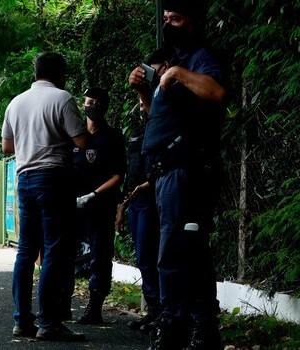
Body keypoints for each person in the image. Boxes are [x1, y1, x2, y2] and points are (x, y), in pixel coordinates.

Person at [128, 1, 228, 348]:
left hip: (186, 169)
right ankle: (199, 327)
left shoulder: (199, 58)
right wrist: (145, 88)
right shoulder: (175, 63)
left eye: (177, 19)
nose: (169, 24)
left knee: (174, 252)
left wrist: (179, 75)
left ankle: (173, 328)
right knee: (189, 251)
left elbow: (216, 92)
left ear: (193, 22)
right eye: (166, 18)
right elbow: (157, 113)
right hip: (164, 173)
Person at [1, 51, 89, 341]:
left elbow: (7, 147)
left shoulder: (15, 103)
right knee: (54, 249)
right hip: (54, 178)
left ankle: (21, 320)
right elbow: (81, 140)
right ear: (60, 73)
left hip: (25, 179)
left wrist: (31, 144)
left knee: (26, 250)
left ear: (35, 73)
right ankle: (48, 321)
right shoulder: (62, 98)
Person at [118, 50, 172, 334]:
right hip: (136, 197)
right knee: (143, 257)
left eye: (153, 73)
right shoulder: (140, 127)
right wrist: (122, 205)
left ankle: (166, 313)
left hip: (154, 194)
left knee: (155, 256)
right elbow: (133, 167)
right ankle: (155, 310)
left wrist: (144, 94)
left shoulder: (165, 114)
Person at [72, 87, 126, 325]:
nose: (92, 105)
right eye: (88, 101)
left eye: (97, 102)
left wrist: (93, 195)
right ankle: (61, 304)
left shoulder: (111, 137)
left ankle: (95, 306)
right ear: (82, 104)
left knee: (100, 256)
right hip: (72, 206)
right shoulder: (74, 135)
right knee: (65, 253)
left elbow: (117, 175)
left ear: (104, 107)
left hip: (99, 206)